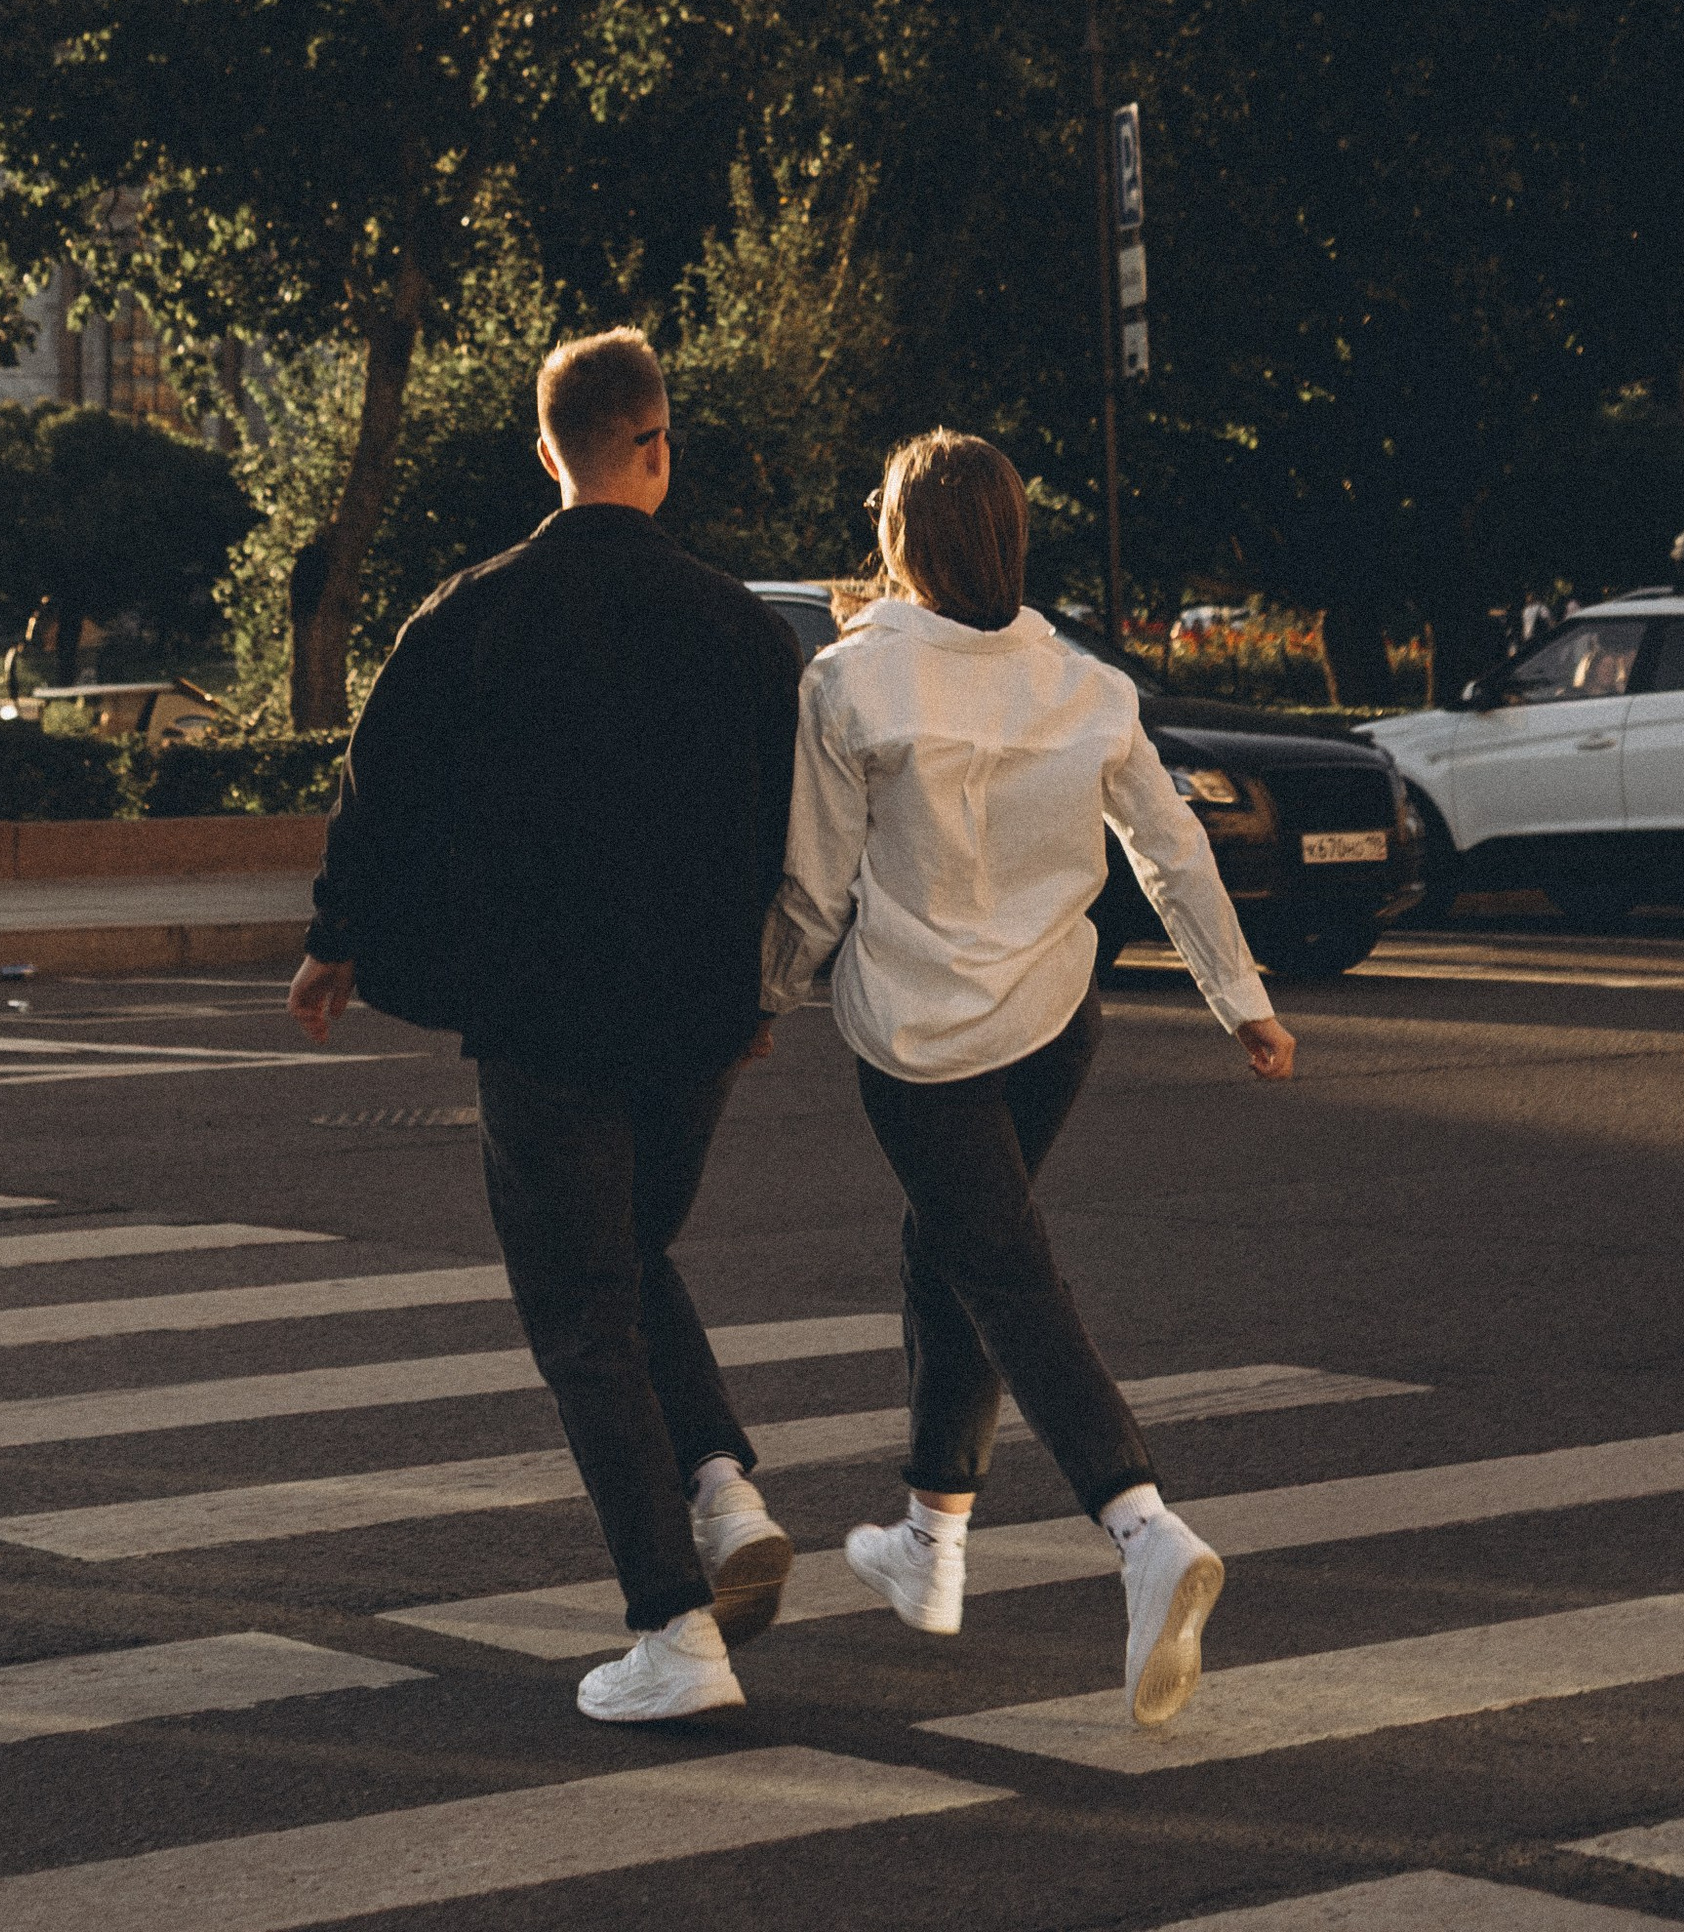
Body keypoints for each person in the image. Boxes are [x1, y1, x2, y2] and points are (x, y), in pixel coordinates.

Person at [290, 328, 805, 1726]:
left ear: (545, 451)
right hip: (697, 1018)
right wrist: (765, 988)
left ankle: (673, 1628)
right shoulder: (742, 627)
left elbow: (378, 790)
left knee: (581, 1306)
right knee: (629, 1246)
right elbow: (798, 830)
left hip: (542, 1018)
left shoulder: (469, 615)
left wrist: (338, 940)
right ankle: (717, 1485)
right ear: (660, 442)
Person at [764, 427, 1297, 1732]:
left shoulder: (850, 683)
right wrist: (1243, 1002)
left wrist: (757, 997)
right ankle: (932, 1537)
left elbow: (815, 886)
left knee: (1000, 1268)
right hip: (1056, 1024)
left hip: (922, 1045)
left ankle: (1142, 1527)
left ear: (902, 538)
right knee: (954, 1246)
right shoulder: (1087, 684)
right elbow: (1172, 851)